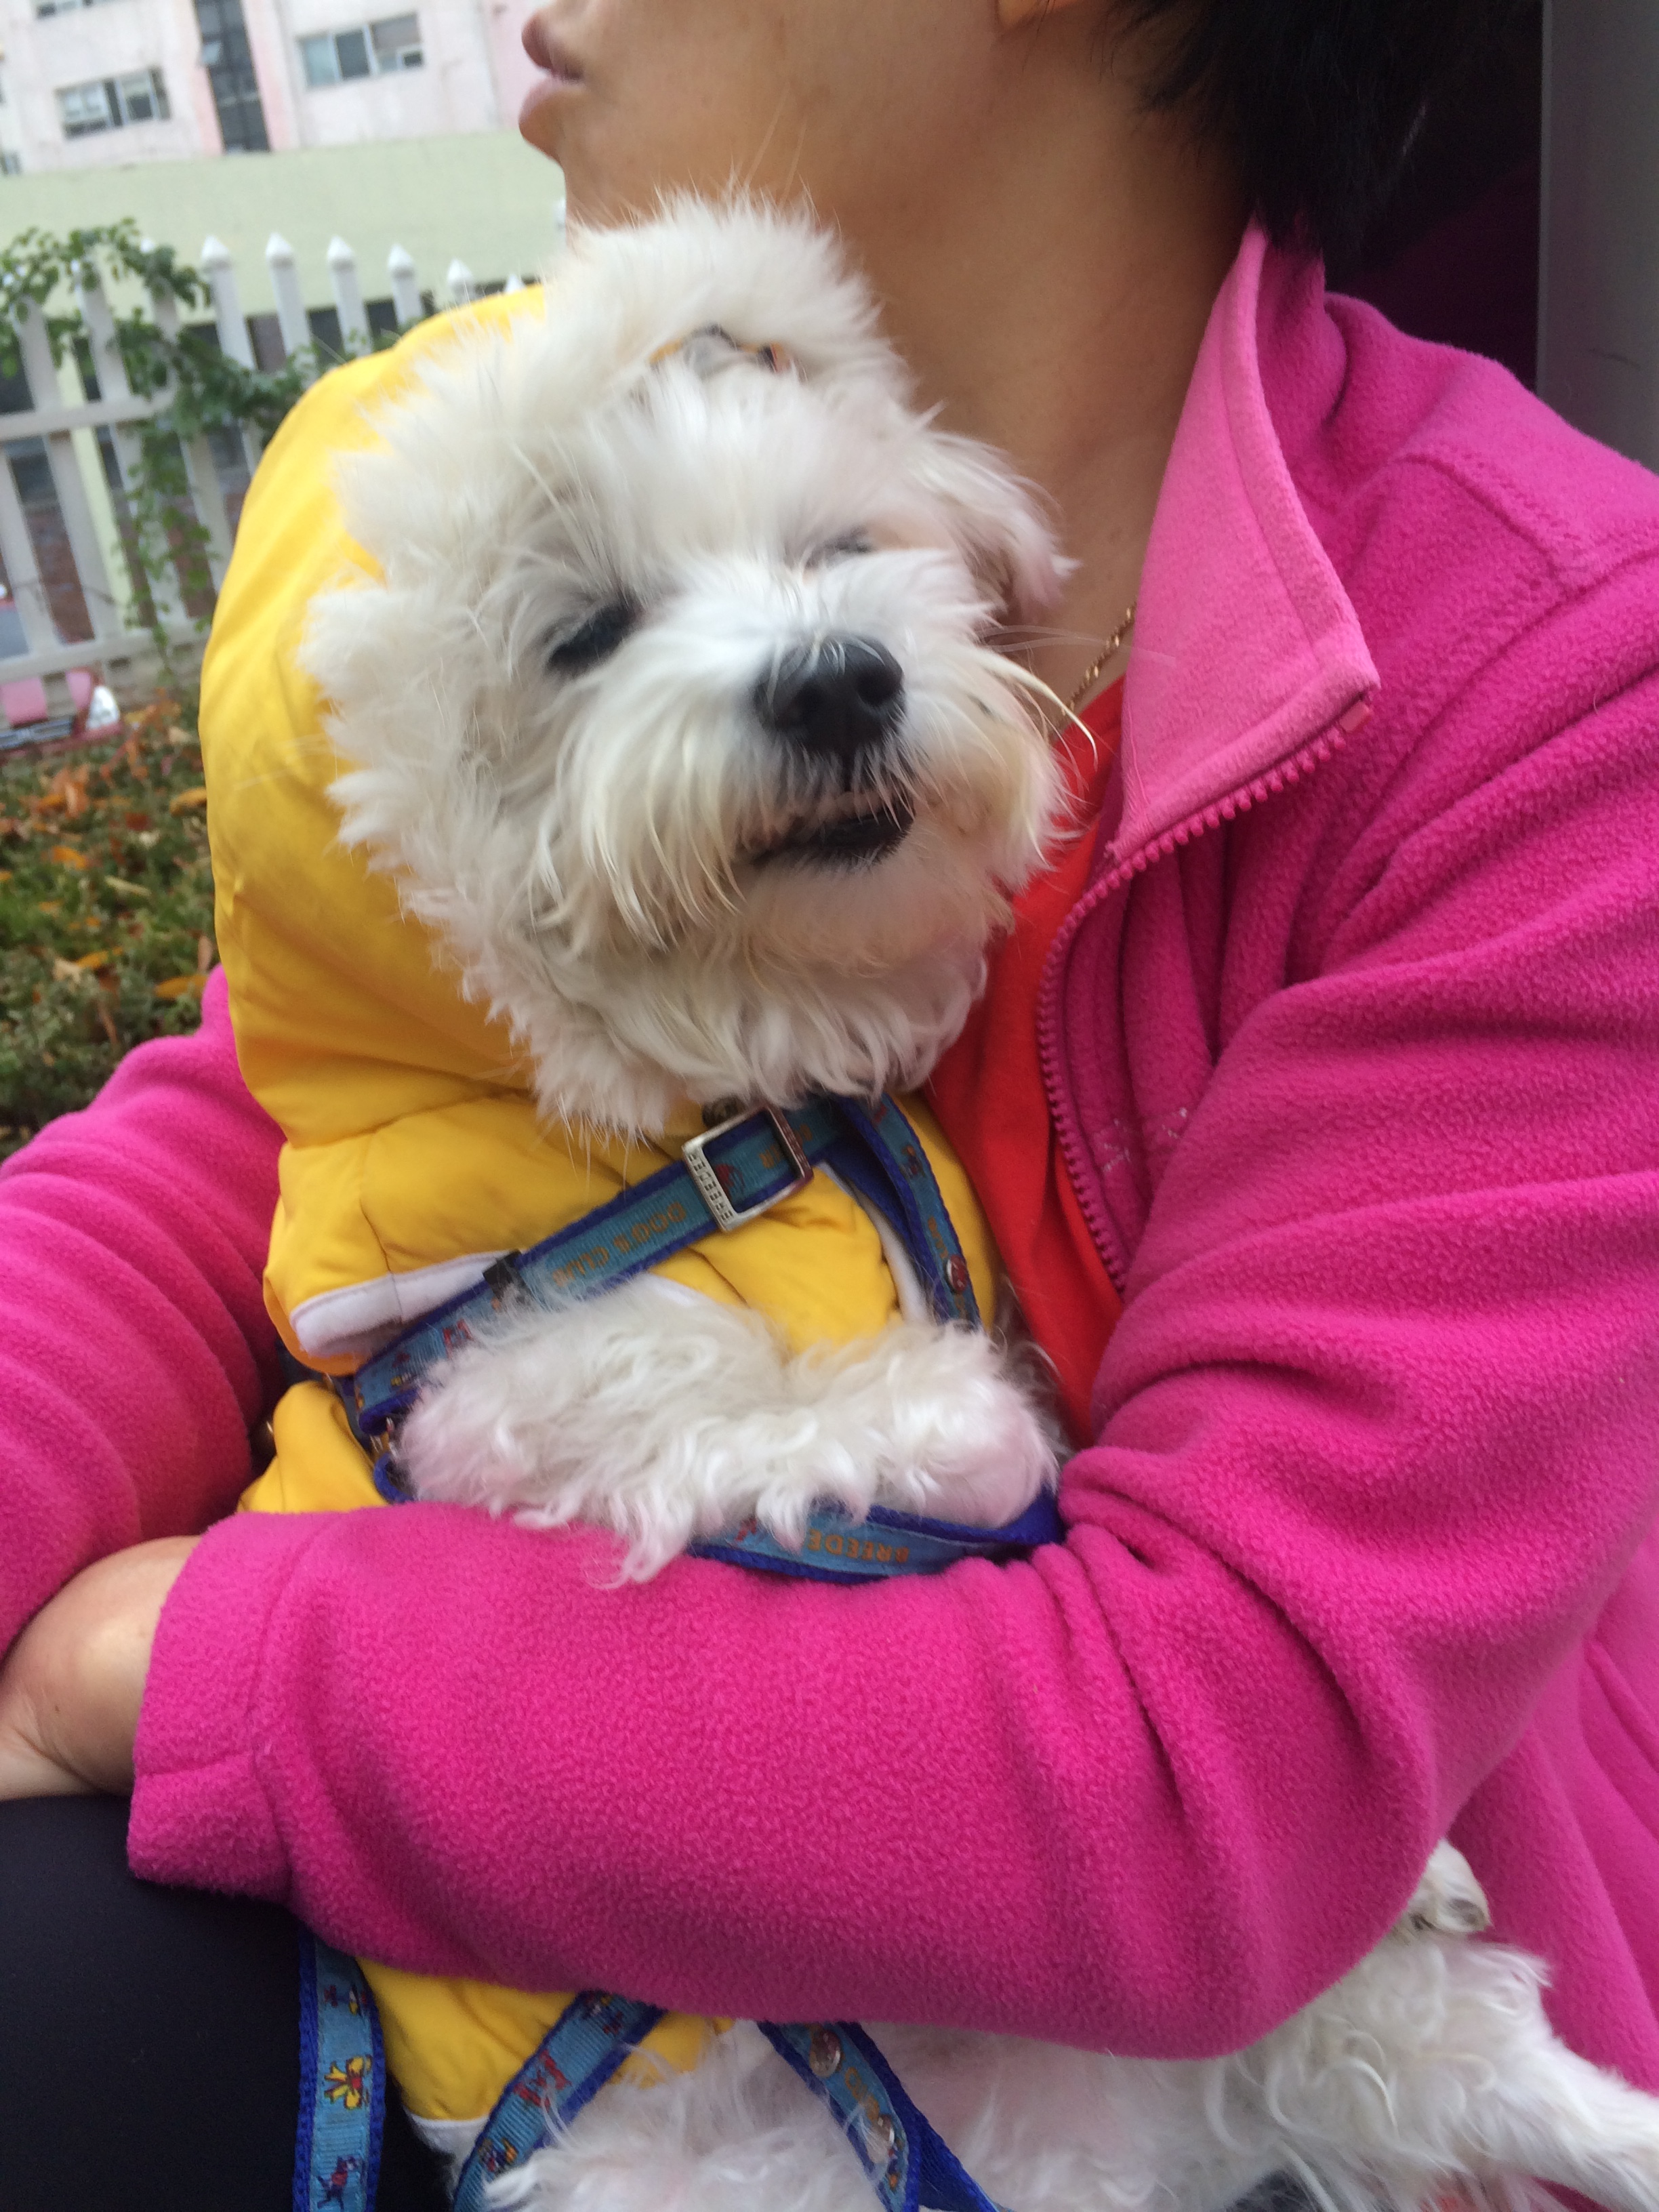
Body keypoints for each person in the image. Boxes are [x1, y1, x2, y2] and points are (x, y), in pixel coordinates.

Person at [3, 0, 1659, 2206]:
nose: (535, 13)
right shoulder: (544, 472)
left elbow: (1204, 1784)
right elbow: (276, 1116)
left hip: (1310, 2086)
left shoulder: (1559, 679)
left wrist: (198, 1671)